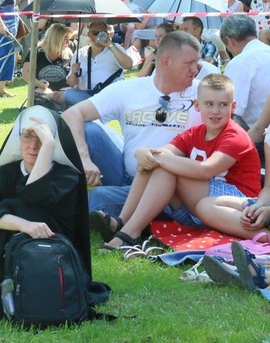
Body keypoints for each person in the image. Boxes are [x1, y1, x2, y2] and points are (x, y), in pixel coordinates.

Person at [0, 105, 90, 322]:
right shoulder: (6, 173)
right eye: (27, 136)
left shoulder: (67, 175)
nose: (33, 146)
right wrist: (22, 224)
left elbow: (34, 195)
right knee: (9, 214)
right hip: (8, 248)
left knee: (19, 206)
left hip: (49, 256)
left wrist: (49, 146)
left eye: (41, 138)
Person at [92, 74, 261, 251]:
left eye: (223, 105)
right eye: (209, 104)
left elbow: (206, 170)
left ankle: (130, 232)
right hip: (200, 205)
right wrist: (143, 153)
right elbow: (162, 152)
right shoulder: (196, 132)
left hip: (239, 204)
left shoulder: (235, 135)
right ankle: (123, 222)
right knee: (153, 163)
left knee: (164, 166)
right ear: (197, 105)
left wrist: (155, 156)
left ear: (233, 107)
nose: (215, 111)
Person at [62, 31, 203, 217]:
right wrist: (85, 159)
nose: (196, 69)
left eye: (196, 62)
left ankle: (119, 212)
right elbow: (72, 114)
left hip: (173, 186)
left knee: (98, 198)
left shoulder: (203, 94)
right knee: (90, 131)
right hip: (127, 176)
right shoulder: (130, 89)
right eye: (189, 63)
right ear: (166, 61)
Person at [63, 21, 133, 107]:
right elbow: (72, 83)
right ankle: (92, 108)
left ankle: (91, 109)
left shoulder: (115, 48)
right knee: (68, 94)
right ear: (89, 35)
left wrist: (110, 45)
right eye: (96, 33)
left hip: (110, 96)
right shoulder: (80, 53)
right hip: (88, 96)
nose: (99, 36)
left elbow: (128, 65)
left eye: (102, 33)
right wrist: (74, 73)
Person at [220, 14, 270, 131]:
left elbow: (229, 113)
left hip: (263, 138)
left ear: (230, 40)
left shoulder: (239, 62)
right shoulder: (266, 51)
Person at [21, 23, 73, 107]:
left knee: (70, 96)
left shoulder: (69, 54)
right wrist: (39, 84)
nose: (68, 42)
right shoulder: (36, 53)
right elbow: (26, 73)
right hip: (42, 90)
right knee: (43, 95)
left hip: (62, 92)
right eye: (65, 39)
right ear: (56, 39)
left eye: (69, 39)